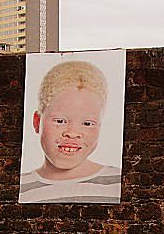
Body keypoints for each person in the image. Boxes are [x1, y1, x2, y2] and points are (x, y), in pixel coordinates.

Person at [19, 60, 121, 203]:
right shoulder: (21, 187)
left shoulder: (118, 183)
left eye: (87, 123)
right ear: (37, 122)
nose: (72, 133)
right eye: (60, 121)